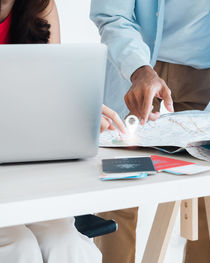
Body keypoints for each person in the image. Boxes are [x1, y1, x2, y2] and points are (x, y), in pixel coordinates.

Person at [91, 0, 210, 262]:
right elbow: (111, 14)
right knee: (118, 197)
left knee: (209, 203)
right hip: (135, 68)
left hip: (207, 75)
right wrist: (139, 69)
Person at [0, 1, 125, 262]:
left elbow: (49, 94)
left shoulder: (39, 7)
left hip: (23, 174)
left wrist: (79, 114)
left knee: (64, 242)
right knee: (18, 246)